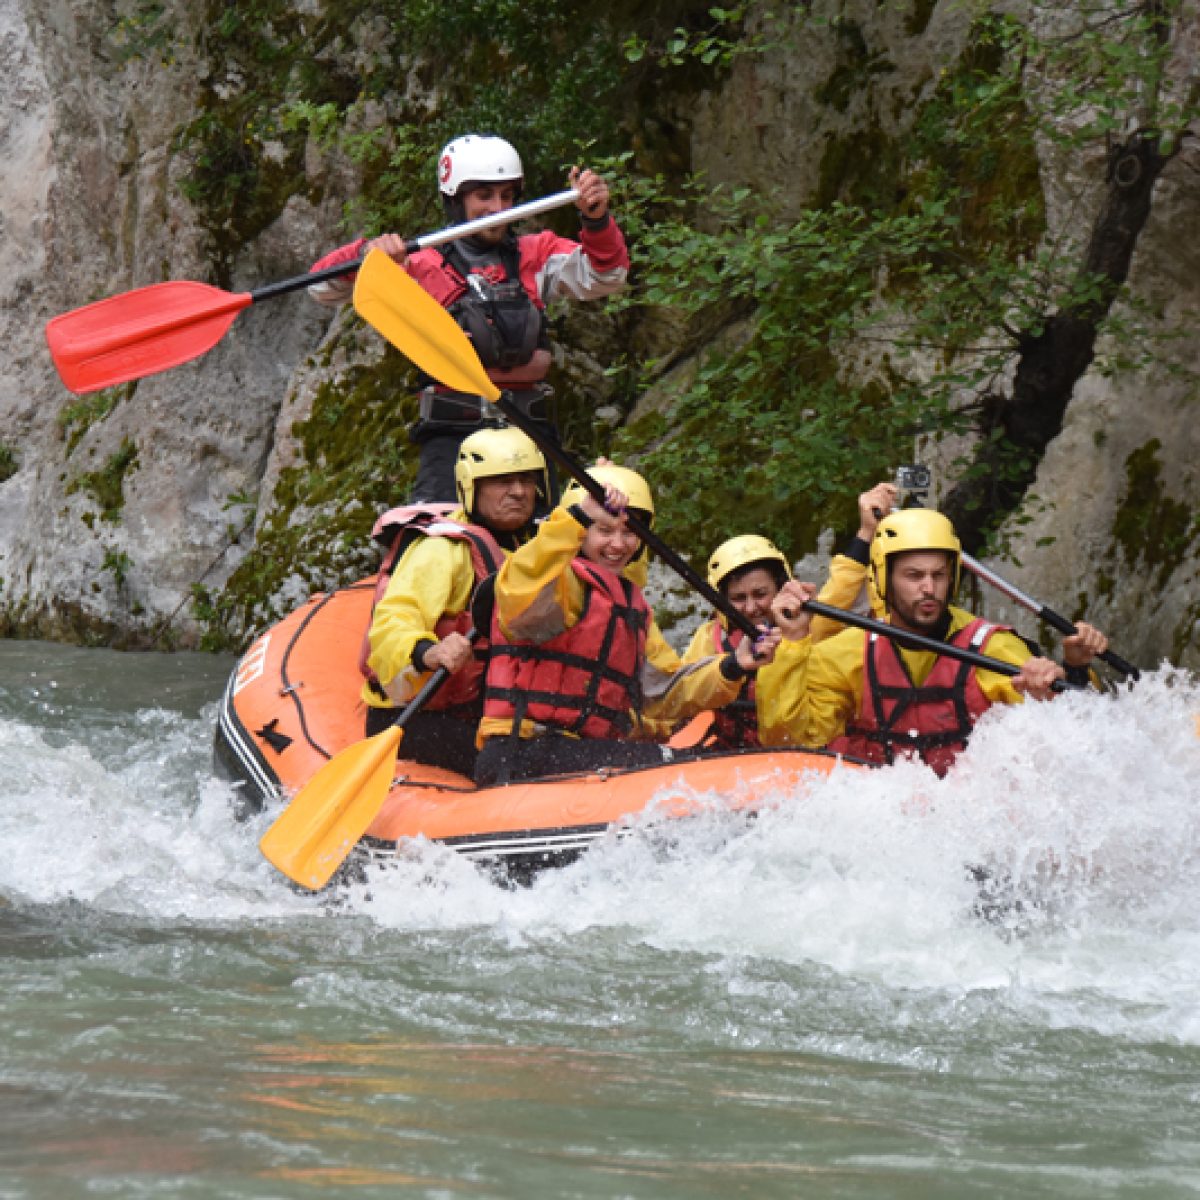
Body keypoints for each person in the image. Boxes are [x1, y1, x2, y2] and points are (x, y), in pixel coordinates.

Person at [309, 133, 630, 502]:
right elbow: (321, 289)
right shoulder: (418, 264)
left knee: (545, 552)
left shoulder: (536, 253)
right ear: (455, 200)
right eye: (484, 196)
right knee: (437, 548)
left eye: (507, 196)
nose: (497, 207)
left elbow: (606, 276)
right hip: (453, 439)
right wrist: (367, 253)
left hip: (529, 435)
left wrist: (597, 220)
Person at [474, 463, 782, 786]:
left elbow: (663, 691)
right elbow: (519, 589)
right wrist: (575, 517)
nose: (618, 545)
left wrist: (733, 665)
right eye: (604, 531)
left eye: (629, 532)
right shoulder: (559, 583)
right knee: (676, 767)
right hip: (521, 751)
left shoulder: (631, 607)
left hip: (580, 749)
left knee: (685, 760)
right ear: (581, 531)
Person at [758, 508, 1110, 775]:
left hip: (964, 816)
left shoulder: (991, 647)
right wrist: (792, 643)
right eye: (914, 576)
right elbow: (790, 739)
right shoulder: (845, 653)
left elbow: (1079, 733)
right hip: (879, 815)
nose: (928, 588)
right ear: (883, 578)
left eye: (938, 575)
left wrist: (1073, 673)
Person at [361, 426, 549, 777]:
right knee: (528, 764)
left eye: (526, 479)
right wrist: (426, 652)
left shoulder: (537, 548)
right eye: (502, 481)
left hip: (493, 715)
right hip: (418, 718)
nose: (519, 492)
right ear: (471, 486)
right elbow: (393, 619)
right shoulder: (443, 550)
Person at [679, 482, 898, 750]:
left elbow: (843, 586)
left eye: (760, 594)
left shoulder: (804, 624)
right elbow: (683, 691)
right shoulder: (707, 640)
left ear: (781, 586)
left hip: (795, 753)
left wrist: (867, 531)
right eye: (738, 598)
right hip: (732, 755)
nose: (751, 608)